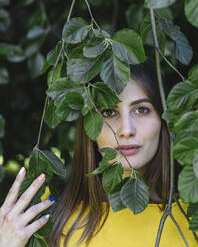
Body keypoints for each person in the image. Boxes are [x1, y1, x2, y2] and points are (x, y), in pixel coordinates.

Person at [0, 61, 197, 247]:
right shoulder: (44, 211)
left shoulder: (191, 218)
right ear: (90, 127)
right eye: (109, 112)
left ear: (163, 120)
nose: (126, 130)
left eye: (141, 110)